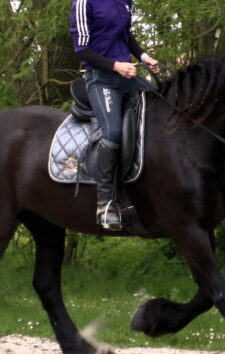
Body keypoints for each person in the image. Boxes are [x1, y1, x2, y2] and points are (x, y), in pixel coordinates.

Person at [70, 0, 159, 231]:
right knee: (113, 132)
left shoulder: (125, 1)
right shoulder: (83, 2)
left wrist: (143, 56)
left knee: (161, 103)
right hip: (100, 79)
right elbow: (82, 49)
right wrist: (116, 66)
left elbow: (126, 35)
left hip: (127, 76)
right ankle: (105, 202)